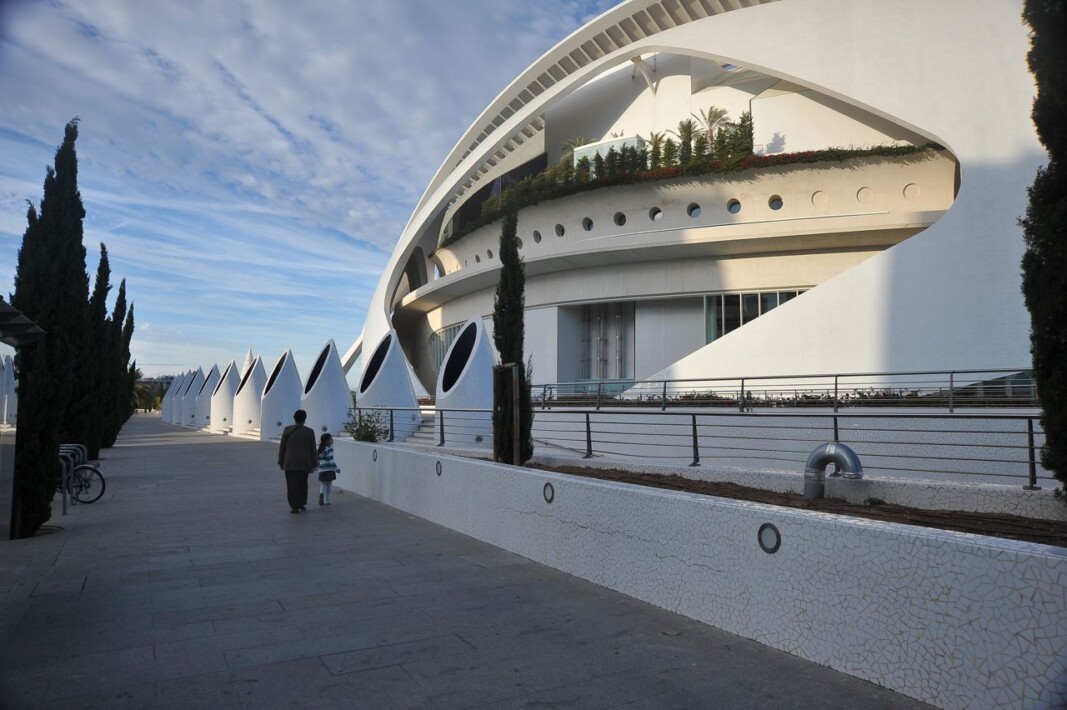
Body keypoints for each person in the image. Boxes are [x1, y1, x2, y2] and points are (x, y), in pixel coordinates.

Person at [278, 409, 317, 514]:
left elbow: (282, 447)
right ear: (305, 419)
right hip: (304, 462)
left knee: (291, 485)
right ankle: (301, 503)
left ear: (294, 418)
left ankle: (294, 506)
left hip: (290, 462)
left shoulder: (287, 430)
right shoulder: (310, 431)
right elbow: (313, 448)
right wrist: (315, 463)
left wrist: (281, 461)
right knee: (303, 483)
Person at [316, 433, 339, 506]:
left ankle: (321, 494)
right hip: (329, 469)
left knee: (323, 484)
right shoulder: (330, 448)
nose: (332, 440)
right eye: (331, 439)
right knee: (329, 484)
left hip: (322, 469)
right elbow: (331, 460)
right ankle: (327, 500)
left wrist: (317, 467)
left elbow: (319, 459)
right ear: (327, 441)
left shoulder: (321, 449)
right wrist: (336, 468)